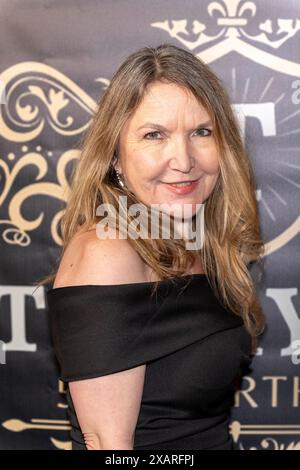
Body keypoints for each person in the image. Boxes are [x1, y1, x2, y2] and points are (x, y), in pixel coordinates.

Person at [42, 43, 266, 450]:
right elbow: (107, 445)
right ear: (114, 155)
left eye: (201, 132)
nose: (183, 160)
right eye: (154, 135)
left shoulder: (202, 243)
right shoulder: (108, 251)